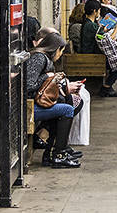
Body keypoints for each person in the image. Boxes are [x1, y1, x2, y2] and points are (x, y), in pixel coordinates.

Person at [25, 32, 84, 168]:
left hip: (36, 102)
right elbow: (28, 85)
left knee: (67, 100)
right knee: (66, 109)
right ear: (56, 49)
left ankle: (54, 152)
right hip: (29, 106)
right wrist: (47, 77)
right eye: (61, 51)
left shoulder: (43, 59)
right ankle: (58, 154)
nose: (61, 54)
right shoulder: (39, 58)